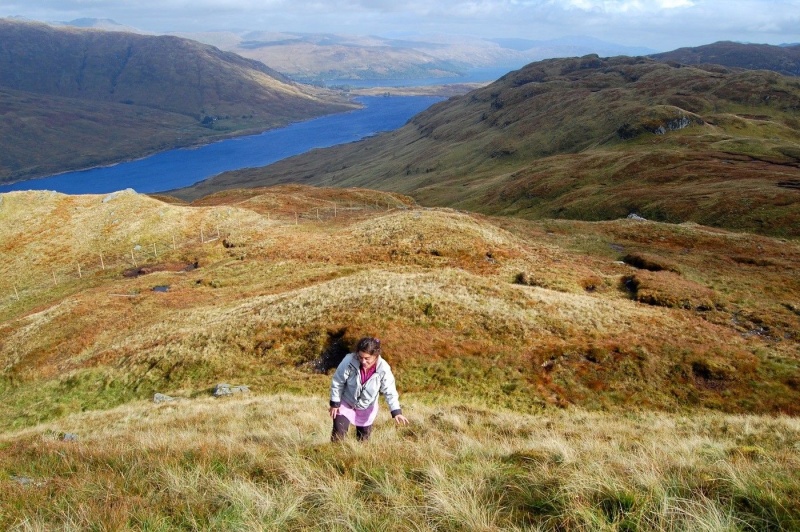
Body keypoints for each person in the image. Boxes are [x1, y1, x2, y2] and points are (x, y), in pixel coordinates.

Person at [329, 337, 409, 441]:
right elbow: (338, 381)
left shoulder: (383, 368)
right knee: (337, 436)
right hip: (346, 402)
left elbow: (390, 391)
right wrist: (335, 403)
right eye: (360, 357)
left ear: (376, 355)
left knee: (363, 440)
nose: (363, 361)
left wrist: (396, 412)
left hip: (367, 406)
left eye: (367, 358)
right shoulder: (349, 360)